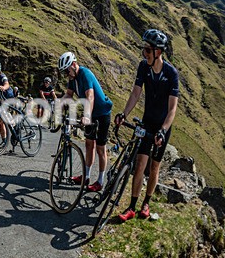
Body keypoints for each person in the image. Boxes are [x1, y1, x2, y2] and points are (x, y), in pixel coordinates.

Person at [114, 29, 179, 221]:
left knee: (154, 168)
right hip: (148, 122)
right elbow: (135, 93)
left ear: (158, 52)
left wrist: (163, 131)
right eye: (144, 50)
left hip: (162, 127)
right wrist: (124, 113)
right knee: (140, 164)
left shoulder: (171, 73)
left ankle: (146, 203)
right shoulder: (143, 67)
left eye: (148, 50)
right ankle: (132, 207)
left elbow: (172, 109)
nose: (145, 54)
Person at [59, 52, 113, 192]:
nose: (66, 74)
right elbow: (69, 95)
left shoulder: (85, 73)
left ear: (73, 64)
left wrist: (87, 115)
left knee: (101, 148)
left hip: (102, 113)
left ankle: (100, 181)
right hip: (91, 114)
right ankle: (86, 177)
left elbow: (90, 96)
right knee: (89, 145)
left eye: (67, 71)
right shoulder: (73, 77)